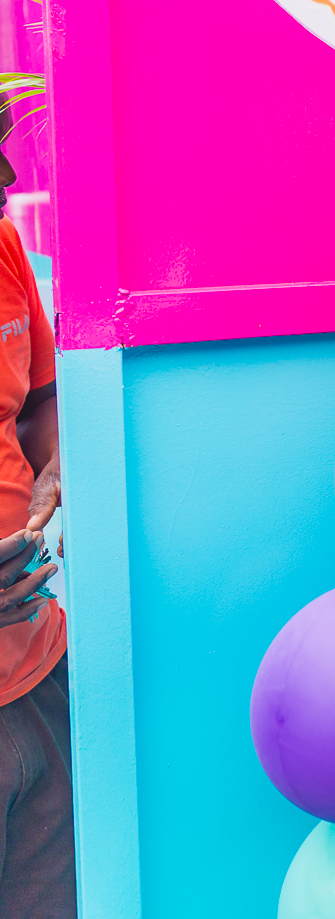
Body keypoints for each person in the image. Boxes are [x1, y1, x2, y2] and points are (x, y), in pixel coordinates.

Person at [0, 143, 68, 918]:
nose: (11, 179)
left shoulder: (6, 243)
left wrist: (56, 465)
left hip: (35, 672)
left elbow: (39, 403)